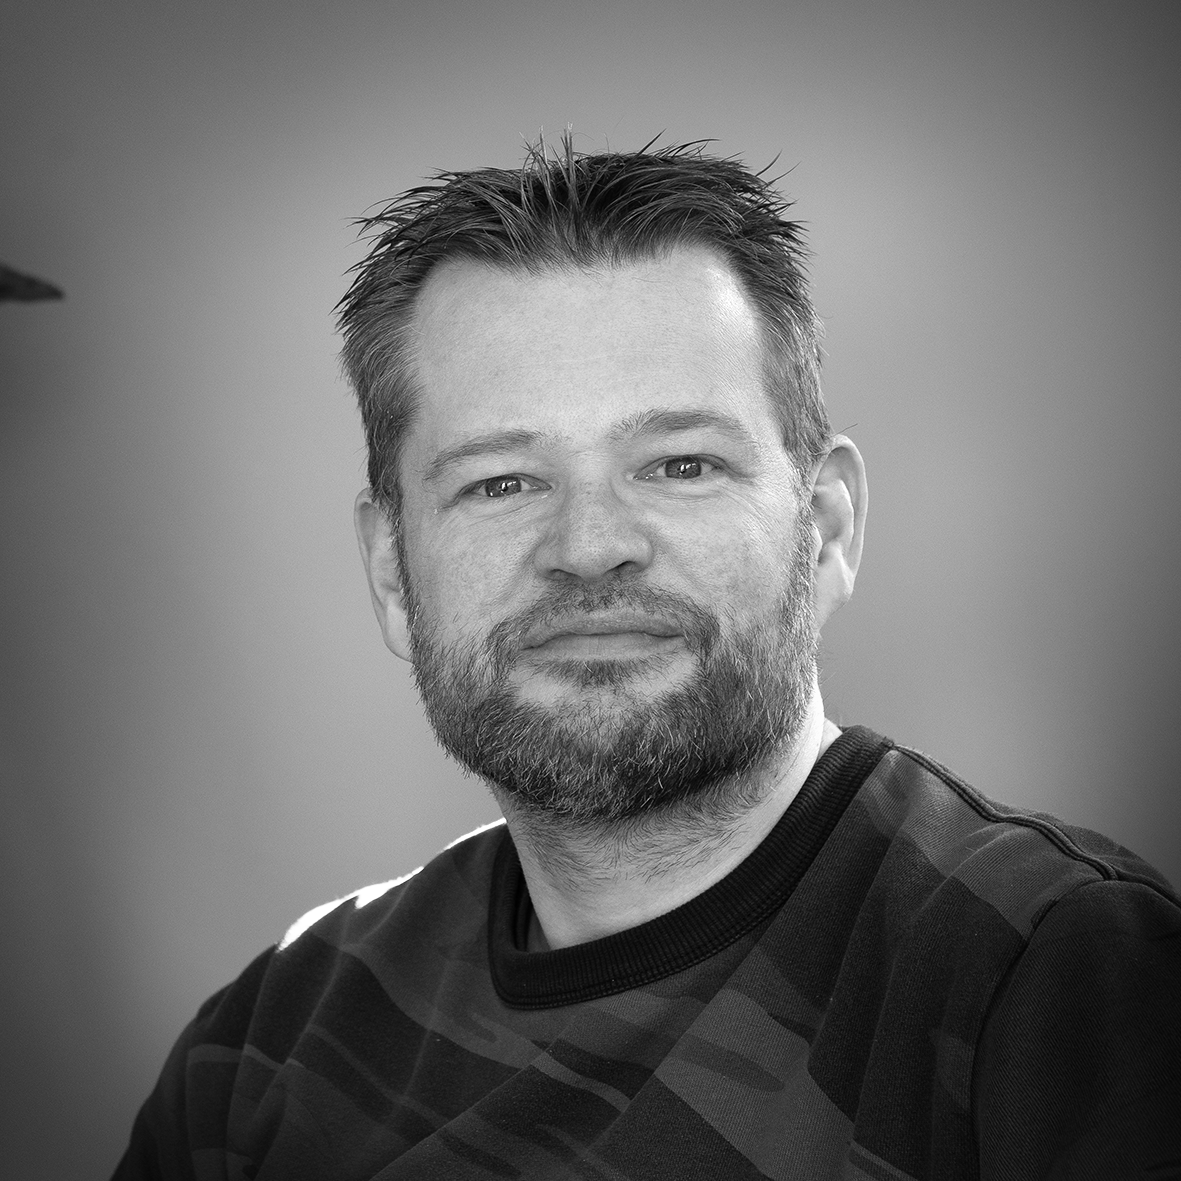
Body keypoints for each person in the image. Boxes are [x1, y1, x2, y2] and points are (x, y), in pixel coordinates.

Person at [113, 136, 1180, 1181]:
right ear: (393, 570)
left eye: (678, 463)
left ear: (824, 527)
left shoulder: (1057, 981)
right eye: (500, 481)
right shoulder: (269, 1042)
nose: (586, 547)